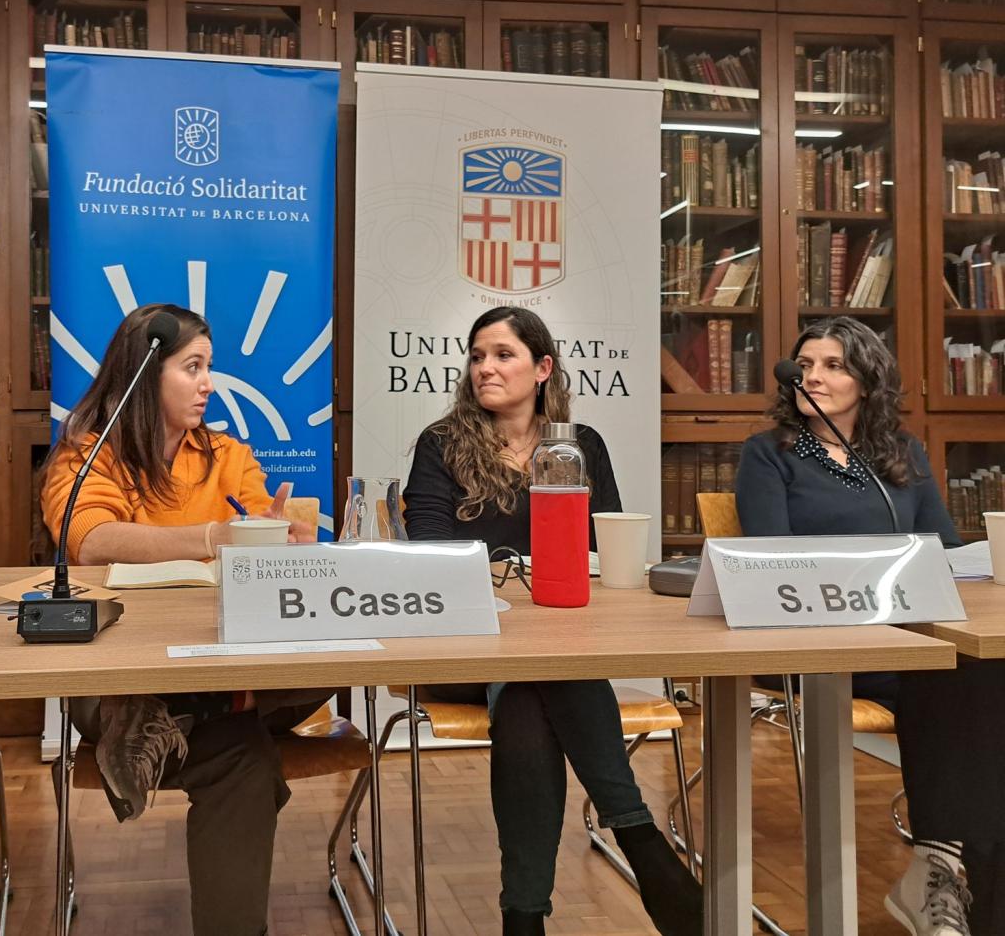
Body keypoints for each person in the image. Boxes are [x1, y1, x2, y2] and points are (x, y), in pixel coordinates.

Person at [402, 305, 702, 936]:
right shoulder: (442, 445)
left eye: (503, 355)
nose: (485, 367)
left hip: (558, 640)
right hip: (471, 644)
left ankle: (524, 916)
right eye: (478, 355)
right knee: (542, 679)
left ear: (542, 369)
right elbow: (429, 549)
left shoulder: (580, 446)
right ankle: (639, 835)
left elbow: (604, 545)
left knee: (530, 697)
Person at [39, 303, 325, 936]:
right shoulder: (88, 455)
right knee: (244, 754)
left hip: (219, 658)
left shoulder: (226, 454)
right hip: (117, 671)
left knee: (327, 665)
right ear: (146, 374)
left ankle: (158, 725)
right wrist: (209, 537)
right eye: (191, 367)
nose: (207, 383)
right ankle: (165, 715)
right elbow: (87, 539)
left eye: (210, 368)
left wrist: (283, 538)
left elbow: (257, 529)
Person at [737, 315, 1003, 935]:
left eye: (832, 365)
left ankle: (968, 882)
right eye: (804, 366)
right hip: (815, 640)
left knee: (984, 673)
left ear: (867, 378)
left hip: (904, 636)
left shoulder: (901, 452)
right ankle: (935, 870)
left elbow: (945, 547)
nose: (814, 377)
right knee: (945, 677)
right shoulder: (770, 453)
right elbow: (773, 560)